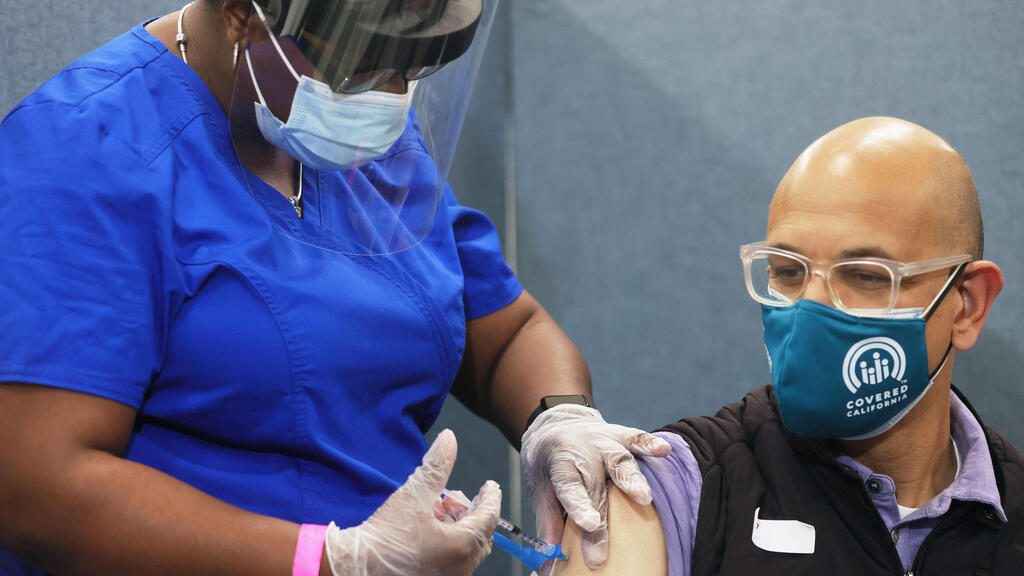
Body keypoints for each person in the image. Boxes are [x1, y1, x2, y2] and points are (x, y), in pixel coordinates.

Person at [0, 1, 670, 574]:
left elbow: (506, 332)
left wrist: (560, 419)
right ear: (240, 14)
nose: (388, 96)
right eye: (362, 66)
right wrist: (332, 560)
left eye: (410, 70)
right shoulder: (87, 151)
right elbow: (37, 488)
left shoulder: (355, 133)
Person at [552, 117, 1024, 575]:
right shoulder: (672, 489)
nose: (809, 308)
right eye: (787, 271)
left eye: (865, 276)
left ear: (967, 305)